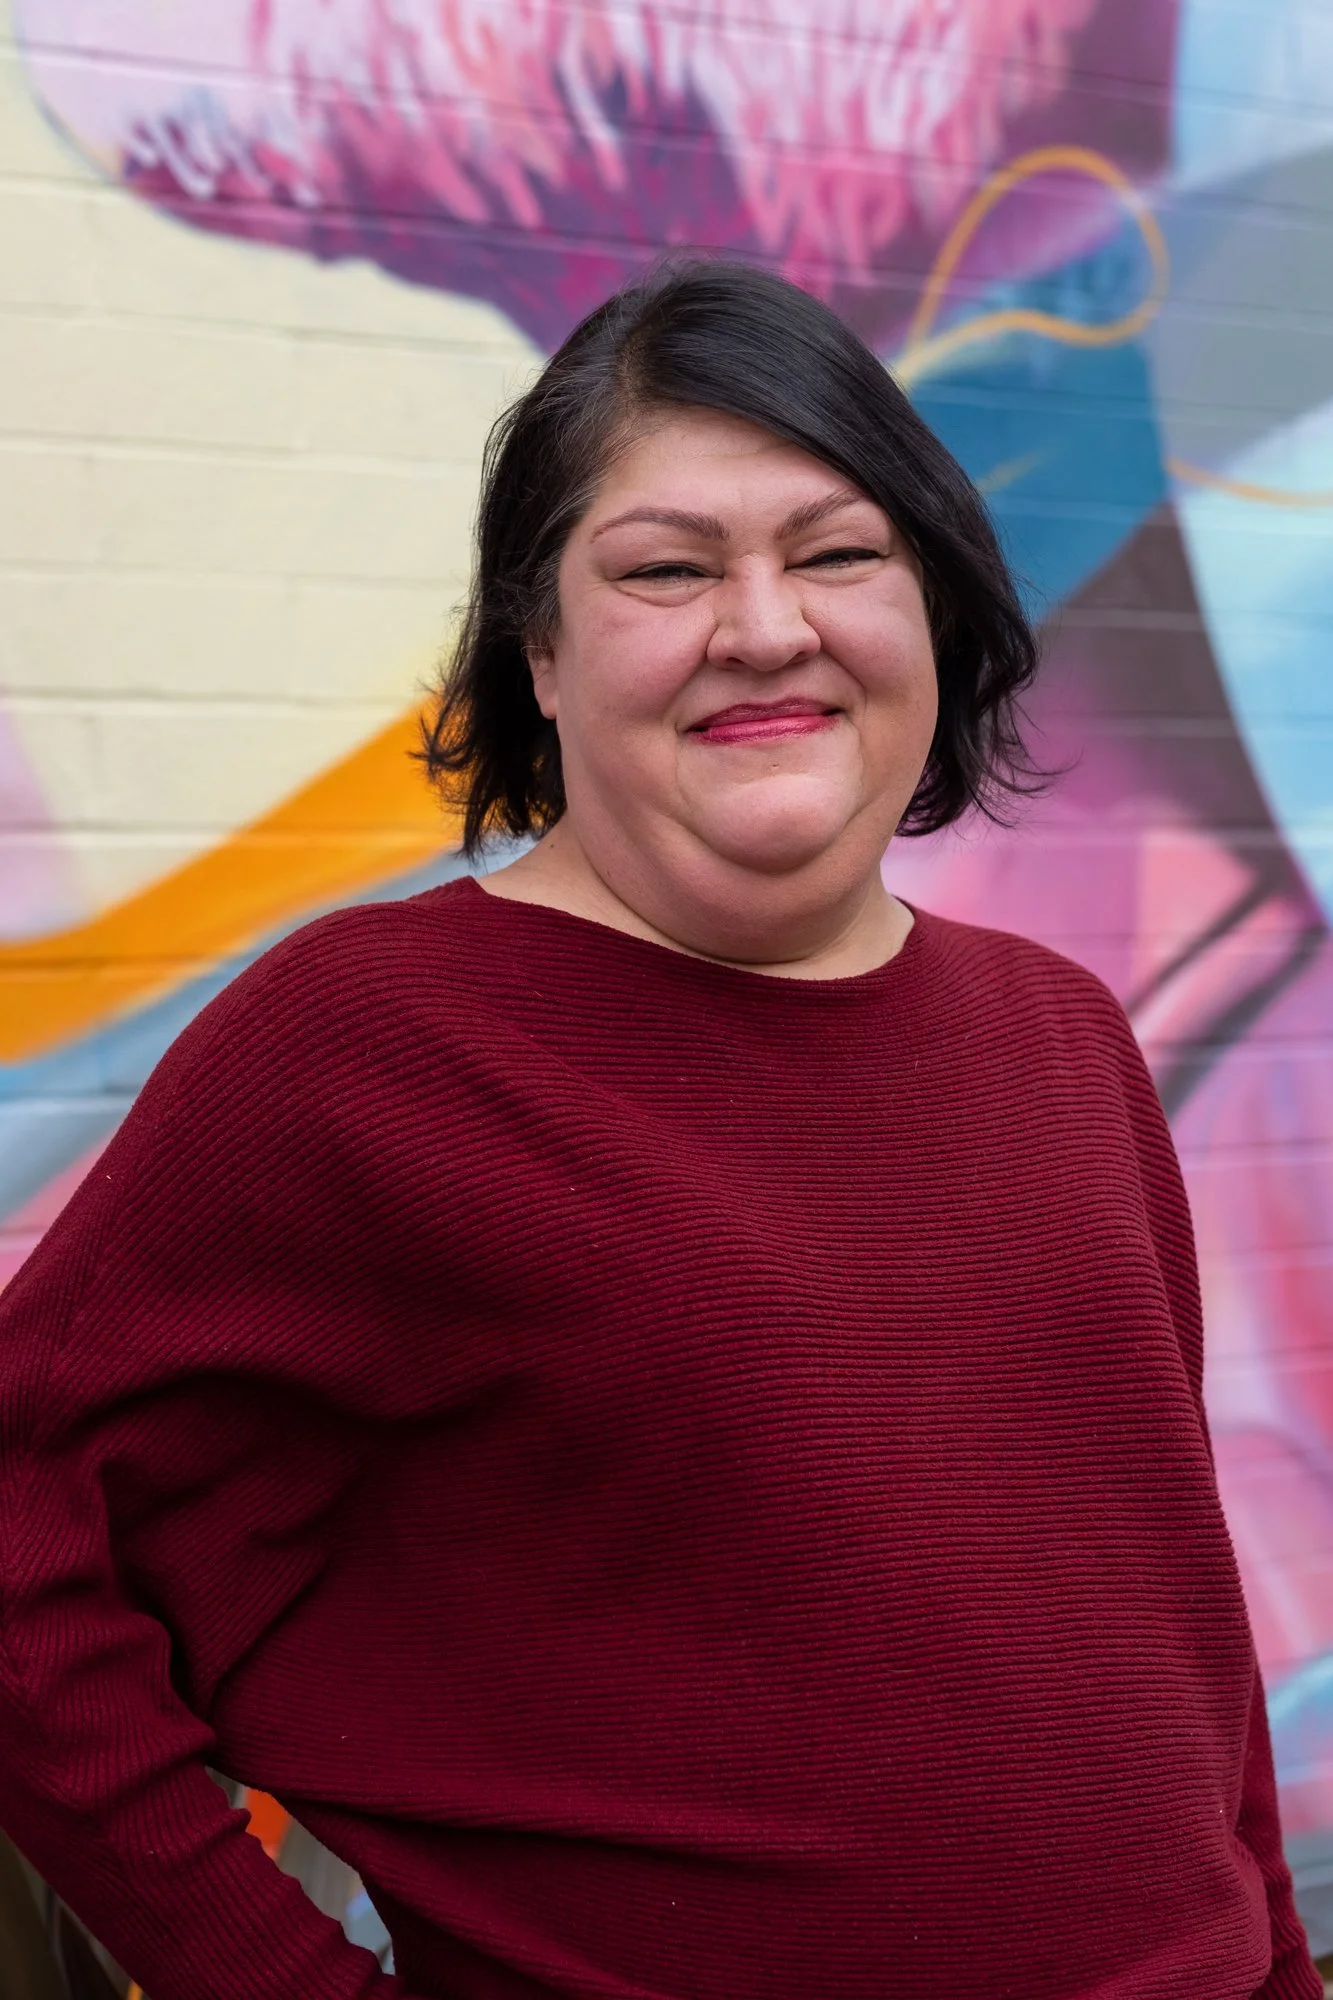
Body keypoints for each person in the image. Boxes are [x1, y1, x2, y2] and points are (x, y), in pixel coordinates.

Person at [0, 261, 1321, 2000]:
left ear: (932, 604)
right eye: (666, 569)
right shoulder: (371, 1042)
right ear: (538, 653)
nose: (764, 625)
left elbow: (1172, 1620)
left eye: (838, 553)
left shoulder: (1059, 1033)